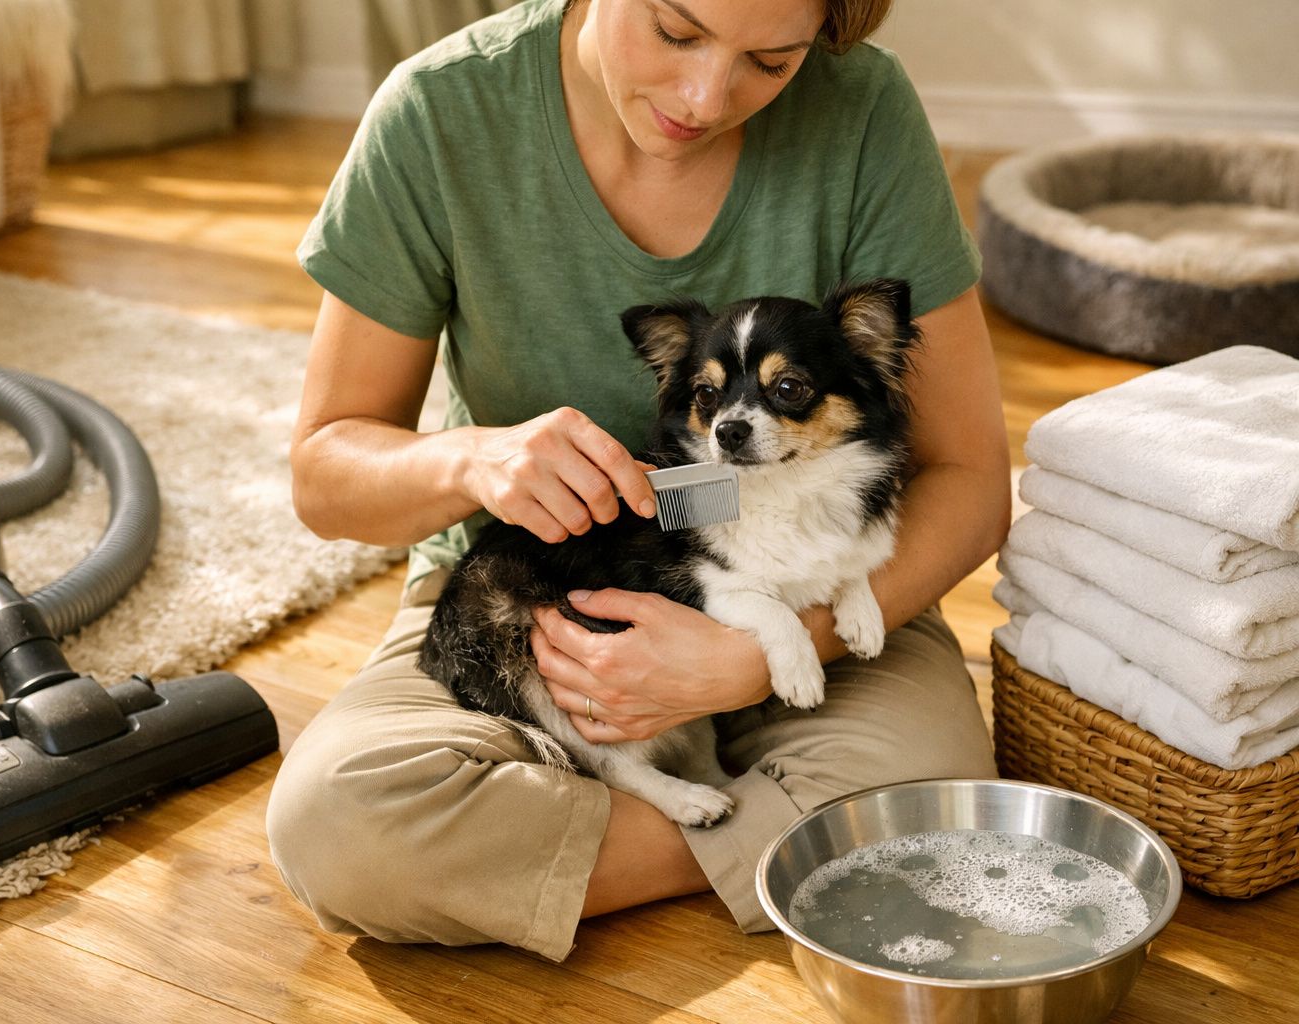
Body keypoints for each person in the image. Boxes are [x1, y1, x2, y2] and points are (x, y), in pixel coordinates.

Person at [269, 0, 1009, 961]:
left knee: (938, 789)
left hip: (822, 584)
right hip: (538, 598)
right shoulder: (439, 113)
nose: (707, 98)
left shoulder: (864, 110)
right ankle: (801, 849)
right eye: (675, 31)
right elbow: (325, 473)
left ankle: (579, 837)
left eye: (772, 61)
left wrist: (767, 655)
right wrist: (471, 458)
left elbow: (973, 475)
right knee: (340, 828)